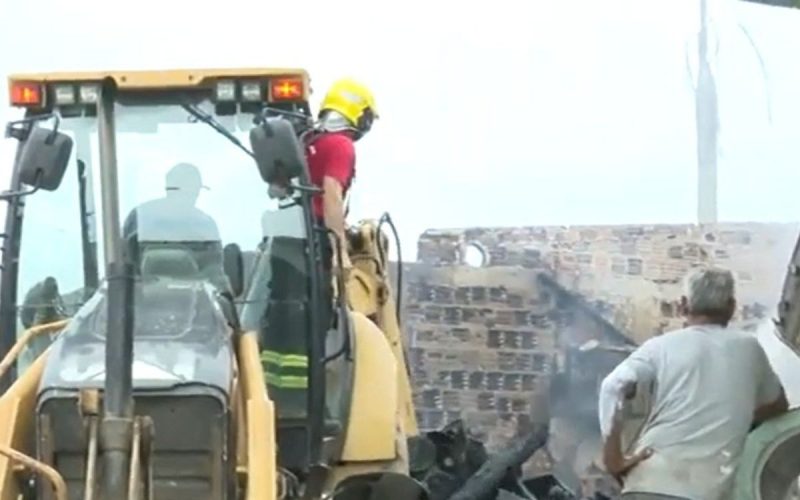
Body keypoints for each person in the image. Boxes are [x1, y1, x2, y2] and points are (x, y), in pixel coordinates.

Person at [598, 267, 789, 500]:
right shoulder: (749, 348)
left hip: (646, 483)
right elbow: (779, 405)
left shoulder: (659, 347)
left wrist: (613, 461)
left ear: (683, 305)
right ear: (731, 307)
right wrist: (736, 414)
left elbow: (612, 386)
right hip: (704, 491)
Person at [304, 77, 378, 277]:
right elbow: (332, 194)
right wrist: (340, 251)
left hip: (297, 234)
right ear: (361, 116)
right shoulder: (340, 145)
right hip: (318, 238)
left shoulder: (308, 141)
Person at [122, 163, 228, 290]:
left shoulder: (139, 216)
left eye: (195, 189)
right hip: (139, 302)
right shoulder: (205, 225)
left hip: (137, 304)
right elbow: (215, 275)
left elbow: (215, 274)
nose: (193, 193)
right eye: (189, 188)